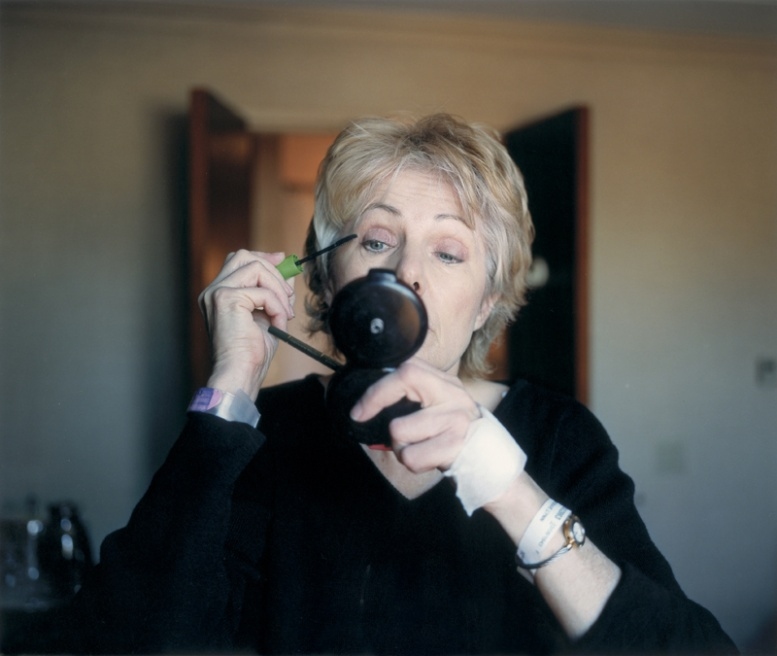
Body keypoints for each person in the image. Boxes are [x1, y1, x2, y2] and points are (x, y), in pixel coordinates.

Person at [66, 113, 736, 654]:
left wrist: (506, 488)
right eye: (377, 240)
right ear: (327, 278)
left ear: (484, 303)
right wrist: (229, 388)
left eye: (448, 251)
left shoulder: (559, 436)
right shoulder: (262, 433)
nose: (408, 271)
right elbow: (127, 638)